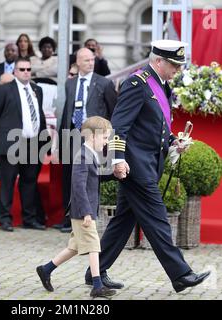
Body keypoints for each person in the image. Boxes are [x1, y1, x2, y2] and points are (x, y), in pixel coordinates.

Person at [83, 40, 211, 293]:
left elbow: (156, 128)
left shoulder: (163, 86)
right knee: (157, 219)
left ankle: (94, 271)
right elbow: (119, 124)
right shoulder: (136, 82)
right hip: (134, 166)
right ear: (158, 61)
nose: (177, 69)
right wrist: (118, 159)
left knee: (122, 222)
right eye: (174, 64)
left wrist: (175, 142)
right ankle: (181, 274)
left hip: (147, 164)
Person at [36, 116, 116, 298]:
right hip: (83, 212)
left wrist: (113, 174)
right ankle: (97, 286)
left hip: (83, 211)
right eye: (104, 138)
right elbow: (78, 187)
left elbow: (94, 177)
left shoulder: (89, 154)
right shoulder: (82, 156)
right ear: (93, 136)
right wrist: (87, 212)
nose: (106, 143)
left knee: (74, 247)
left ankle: (46, 269)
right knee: (94, 246)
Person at [58, 47, 117, 233]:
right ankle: (69, 218)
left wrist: (109, 138)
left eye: (92, 60)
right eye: (86, 61)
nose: (90, 63)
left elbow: (113, 110)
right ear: (77, 63)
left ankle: (89, 216)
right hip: (72, 135)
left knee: (90, 178)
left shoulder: (104, 83)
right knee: (69, 178)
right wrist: (61, 140)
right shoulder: (70, 84)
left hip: (94, 139)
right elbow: (67, 111)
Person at [0, 57, 47, 232]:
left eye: (28, 69)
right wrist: (3, 136)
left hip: (33, 143)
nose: (26, 72)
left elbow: (39, 114)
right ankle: (5, 219)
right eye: (22, 69)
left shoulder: (37, 89)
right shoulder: (5, 90)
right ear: (14, 71)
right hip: (12, 143)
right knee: (8, 182)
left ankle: (29, 218)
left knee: (29, 182)